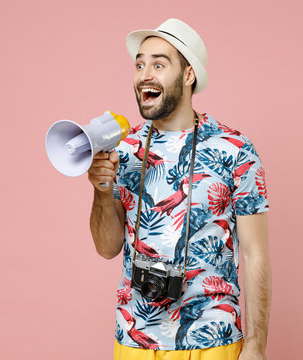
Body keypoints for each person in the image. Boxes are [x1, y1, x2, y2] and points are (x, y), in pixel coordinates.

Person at [88, 18, 270, 360]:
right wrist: (101, 189)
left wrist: (257, 344)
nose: (145, 74)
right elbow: (106, 248)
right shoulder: (123, 150)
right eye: (140, 64)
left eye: (159, 64)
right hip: (133, 340)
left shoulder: (235, 149)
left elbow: (255, 254)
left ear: (188, 75)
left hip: (214, 340)